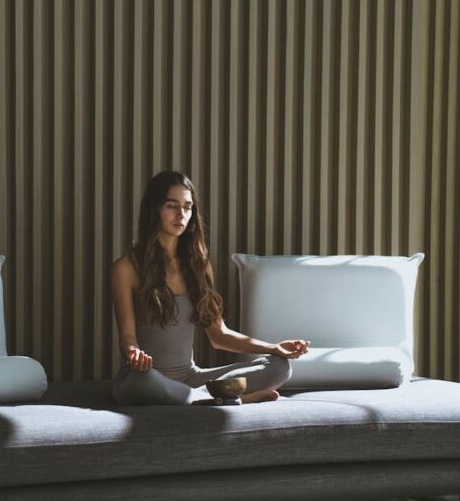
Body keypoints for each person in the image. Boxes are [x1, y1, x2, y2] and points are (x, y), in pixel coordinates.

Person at [111, 170, 310, 405]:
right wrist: (134, 354)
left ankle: (203, 398)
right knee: (143, 381)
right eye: (172, 206)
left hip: (190, 378)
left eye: (187, 207)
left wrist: (274, 348)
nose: (181, 215)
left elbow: (219, 335)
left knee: (278, 367)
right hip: (145, 378)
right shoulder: (126, 268)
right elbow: (127, 336)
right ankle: (232, 399)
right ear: (155, 209)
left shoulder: (199, 266)